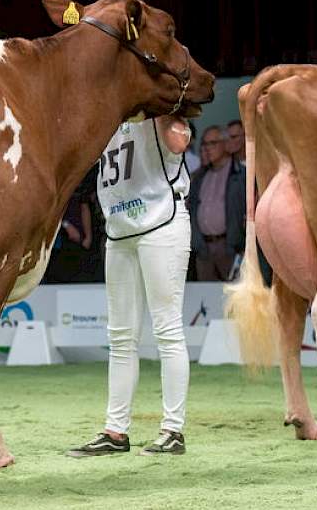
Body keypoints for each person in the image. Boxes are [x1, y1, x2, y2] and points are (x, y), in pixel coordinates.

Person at [68, 115, 192, 458]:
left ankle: (172, 430)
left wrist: (160, 111)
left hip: (162, 223)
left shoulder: (158, 107)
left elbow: (179, 142)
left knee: (167, 328)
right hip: (120, 229)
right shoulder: (109, 112)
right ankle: (115, 431)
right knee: (120, 336)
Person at [187, 125, 246, 282]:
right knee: (205, 300)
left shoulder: (240, 175)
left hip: (229, 247)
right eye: (204, 144)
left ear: (226, 145)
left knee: (232, 299)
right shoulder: (198, 177)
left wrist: (239, 245)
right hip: (203, 249)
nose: (207, 148)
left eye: (212, 143)